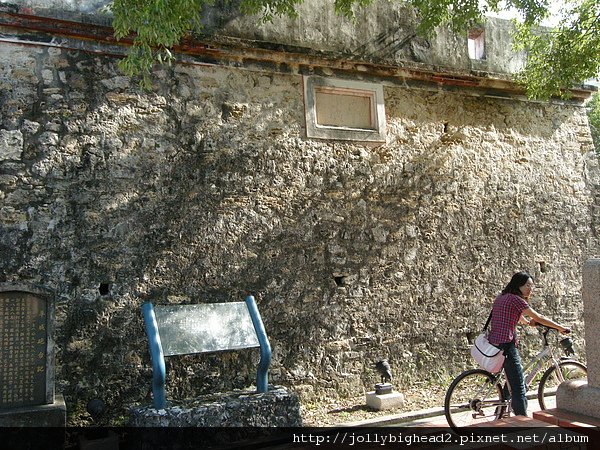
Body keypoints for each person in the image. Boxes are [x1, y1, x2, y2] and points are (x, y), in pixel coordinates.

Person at [487, 271, 570, 416]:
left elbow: (511, 315)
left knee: (512, 377)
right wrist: (560, 328)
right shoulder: (516, 300)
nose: (530, 289)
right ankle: (522, 422)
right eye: (527, 285)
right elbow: (539, 317)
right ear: (518, 285)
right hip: (506, 345)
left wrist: (527, 323)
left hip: (494, 342)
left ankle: (501, 409)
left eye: (532, 286)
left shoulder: (503, 296)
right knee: (519, 387)